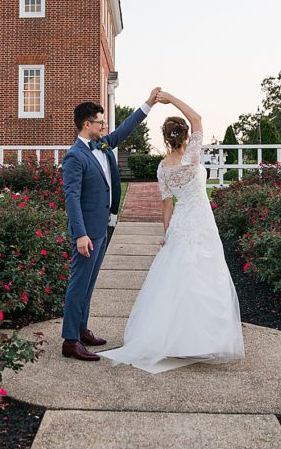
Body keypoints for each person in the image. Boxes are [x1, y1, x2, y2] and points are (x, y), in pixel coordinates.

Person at [98, 90, 245, 373]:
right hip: (201, 221)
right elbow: (198, 117)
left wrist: (167, 232)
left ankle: (177, 339)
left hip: (181, 224)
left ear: (165, 139)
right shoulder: (192, 157)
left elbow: (167, 204)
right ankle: (202, 338)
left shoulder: (163, 168)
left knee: (178, 277)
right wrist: (171, 98)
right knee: (205, 274)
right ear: (186, 136)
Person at [60, 88, 161, 361]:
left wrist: (148, 103)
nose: (105, 127)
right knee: (78, 283)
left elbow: (126, 128)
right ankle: (70, 341)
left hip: (102, 228)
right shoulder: (74, 157)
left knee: (90, 283)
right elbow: (71, 198)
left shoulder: (103, 145)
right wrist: (80, 234)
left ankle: (81, 329)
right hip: (86, 233)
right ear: (87, 125)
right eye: (101, 122)